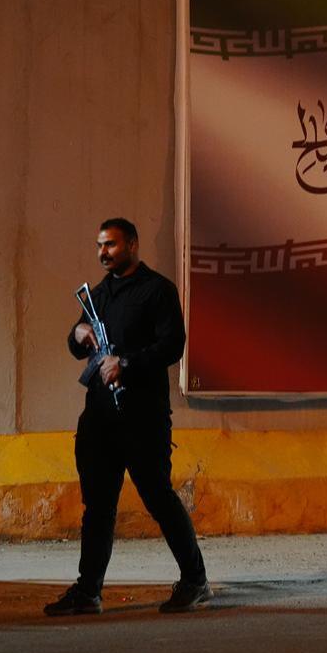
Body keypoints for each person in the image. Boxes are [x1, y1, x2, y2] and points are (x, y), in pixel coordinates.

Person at [44, 218, 212, 616]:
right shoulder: (100, 294)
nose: (103, 252)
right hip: (100, 420)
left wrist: (128, 363)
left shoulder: (158, 291)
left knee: (158, 498)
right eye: (100, 245)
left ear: (133, 245)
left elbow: (172, 346)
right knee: (98, 507)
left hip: (143, 418)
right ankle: (88, 593)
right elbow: (76, 344)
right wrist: (78, 335)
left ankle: (195, 581)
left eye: (111, 245)